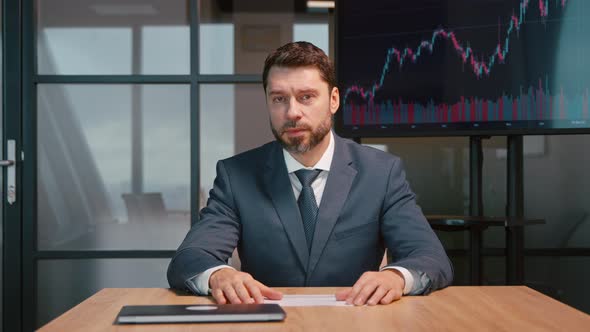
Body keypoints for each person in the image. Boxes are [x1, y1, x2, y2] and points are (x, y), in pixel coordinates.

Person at [168, 41, 453, 306]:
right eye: (279, 99)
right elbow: (189, 258)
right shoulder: (236, 175)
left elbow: (431, 258)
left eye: (306, 97)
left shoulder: (382, 172)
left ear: (333, 100)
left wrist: (396, 277)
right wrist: (219, 275)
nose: (292, 112)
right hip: (268, 323)